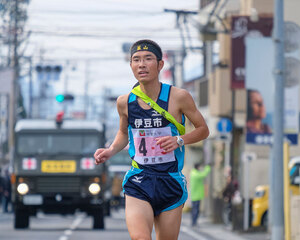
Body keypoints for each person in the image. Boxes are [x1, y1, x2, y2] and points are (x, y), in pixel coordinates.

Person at [94, 39, 209, 240]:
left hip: (170, 181)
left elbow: (203, 130)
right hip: (139, 179)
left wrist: (179, 140)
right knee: (140, 238)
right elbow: (123, 133)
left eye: (148, 59)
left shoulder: (179, 97)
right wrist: (110, 150)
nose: (142, 64)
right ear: (131, 66)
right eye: (136, 60)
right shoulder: (125, 102)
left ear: (160, 64)